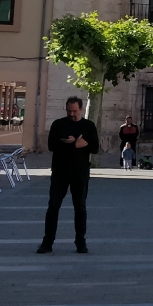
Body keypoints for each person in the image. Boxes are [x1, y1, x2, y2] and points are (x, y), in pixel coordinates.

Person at [41, 96, 98, 254]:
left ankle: (80, 242)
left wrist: (82, 144)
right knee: (53, 206)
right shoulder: (58, 124)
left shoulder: (88, 126)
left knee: (80, 207)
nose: (71, 114)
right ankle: (47, 242)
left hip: (80, 173)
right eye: (69, 111)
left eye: (74, 111)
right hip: (60, 171)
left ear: (80, 109)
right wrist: (73, 144)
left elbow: (95, 148)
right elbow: (51, 145)